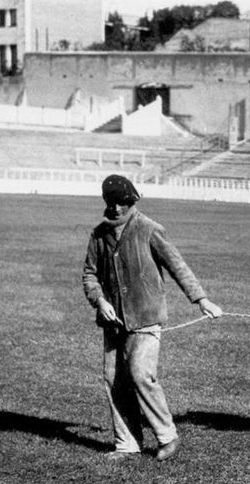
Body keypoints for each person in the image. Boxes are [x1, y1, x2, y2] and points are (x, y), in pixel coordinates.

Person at [82, 175, 223, 461]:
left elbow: (177, 266)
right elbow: (89, 274)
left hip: (145, 315)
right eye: (113, 203)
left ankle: (167, 436)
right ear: (106, 202)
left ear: (131, 202)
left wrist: (201, 299)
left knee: (140, 374)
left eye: (124, 203)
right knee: (113, 379)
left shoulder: (149, 229)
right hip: (113, 321)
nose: (118, 209)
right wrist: (100, 300)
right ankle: (127, 444)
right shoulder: (98, 234)